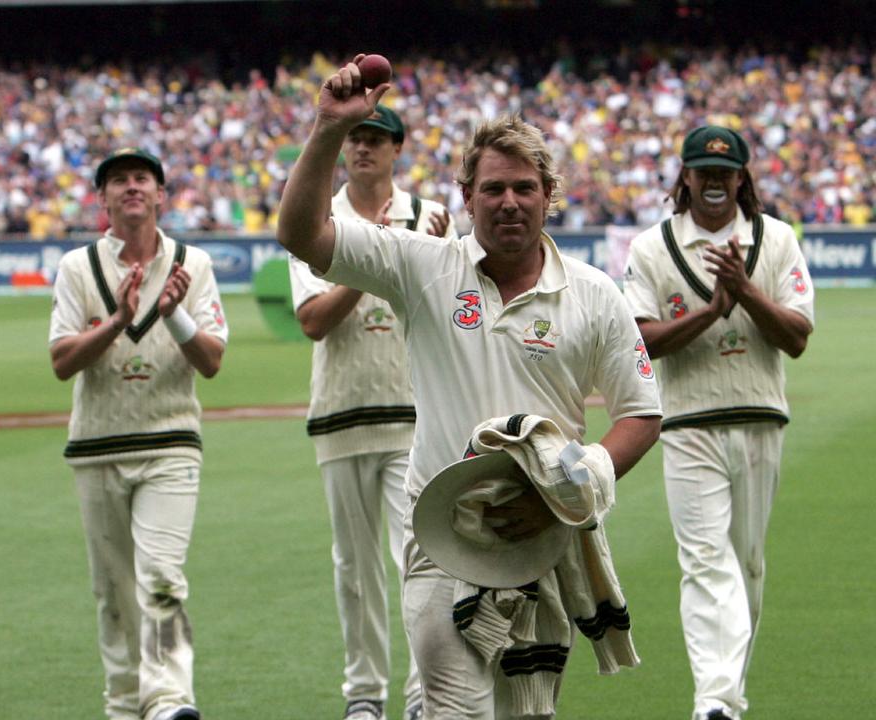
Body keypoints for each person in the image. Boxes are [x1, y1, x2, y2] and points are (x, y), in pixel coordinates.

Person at [276, 56, 662, 718]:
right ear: (466, 198)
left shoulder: (595, 293)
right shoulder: (423, 265)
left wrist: (568, 495)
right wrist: (329, 129)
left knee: (528, 712)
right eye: (492, 190)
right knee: (456, 708)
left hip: (542, 540)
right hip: (440, 536)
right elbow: (301, 234)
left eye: (522, 188)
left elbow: (641, 415)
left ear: (548, 194)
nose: (508, 202)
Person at [622, 125, 814, 720]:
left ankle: (727, 693)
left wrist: (744, 293)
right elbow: (642, 340)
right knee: (705, 561)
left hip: (759, 419)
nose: (712, 181)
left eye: (724, 172)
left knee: (747, 564)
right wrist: (710, 312)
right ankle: (716, 703)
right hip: (687, 424)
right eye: (702, 171)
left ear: (741, 178)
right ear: (684, 176)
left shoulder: (776, 239)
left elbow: (797, 337)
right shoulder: (652, 248)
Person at [287, 104, 455, 720]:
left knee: (420, 557)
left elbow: (456, 313)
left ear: (395, 150)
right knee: (354, 568)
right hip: (341, 412)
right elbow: (313, 320)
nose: (363, 149)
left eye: (376, 140)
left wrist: (419, 253)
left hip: (416, 416)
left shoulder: (432, 217)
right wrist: (373, 259)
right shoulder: (314, 216)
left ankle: (422, 695)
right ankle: (364, 695)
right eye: (355, 138)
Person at [49, 147, 227, 720]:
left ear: (160, 194)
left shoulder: (192, 264)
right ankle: (125, 704)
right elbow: (61, 361)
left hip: (171, 442)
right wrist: (119, 322)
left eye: (142, 179)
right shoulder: (78, 268)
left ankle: (170, 699)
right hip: (97, 446)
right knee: (114, 593)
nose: (131, 188)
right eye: (119, 180)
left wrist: (174, 314)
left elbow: (212, 361)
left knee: (161, 578)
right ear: (101, 198)